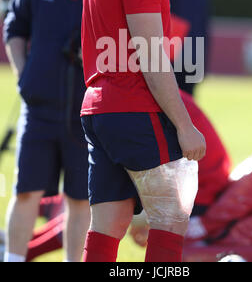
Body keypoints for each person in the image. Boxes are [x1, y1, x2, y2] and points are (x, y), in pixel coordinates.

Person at [80, 0, 206, 263]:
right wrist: (185, 126)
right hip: (134, 109)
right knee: (172, 216)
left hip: (98, 112)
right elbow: (152, 58)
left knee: (108, 224)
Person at [2, 0, 106, 262]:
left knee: (80, 198)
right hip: (40, 108)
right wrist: (24, 74)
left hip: (86, 111)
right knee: (26, 190)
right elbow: (14, 26)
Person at [21, 89, 230, 262]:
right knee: (100, 211)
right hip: (191, 180)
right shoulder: (150, 93)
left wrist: (142, 218)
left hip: (199, 192)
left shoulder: (143, 98)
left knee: (103, 212)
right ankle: (21, 245)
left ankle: (23, 250)